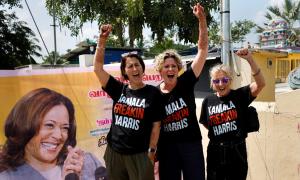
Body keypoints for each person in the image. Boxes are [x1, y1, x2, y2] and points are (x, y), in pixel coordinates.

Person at [93, 24, 163, 180]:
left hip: (140, 155)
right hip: (114, 152)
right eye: (130, 66)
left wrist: (152, 151)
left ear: (143, 68)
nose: (134, 68)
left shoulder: (153, 93)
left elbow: (156, 126)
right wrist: (102, 40)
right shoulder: (118, 89)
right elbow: (98, 68)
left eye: (137, 65)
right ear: (125, 72)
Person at [153, 3, 208, 180]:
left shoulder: (186, 82)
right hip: (167, 148)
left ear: (178, 68)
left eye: (174, 66)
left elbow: (202, 49)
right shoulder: (154, 94)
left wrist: (202, 19)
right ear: (160, 70)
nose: (171, 69)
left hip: (191, 144)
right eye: (166, 66)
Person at [0, 88, 105, 180]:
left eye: (65, 128)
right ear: (23, 126)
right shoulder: (7, 177)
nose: (59, 135)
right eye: (49, 125)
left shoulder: (88, 163)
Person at [199, 48, 266, 180]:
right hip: (215, 151)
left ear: (230, 80)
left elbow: (261, 84)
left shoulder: (239, 95)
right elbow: (208, 124)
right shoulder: (208, 100)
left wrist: (250, 60)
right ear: (212, 83)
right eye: (216, 81)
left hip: (237, 150)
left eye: (224, 80)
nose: (220, 84)